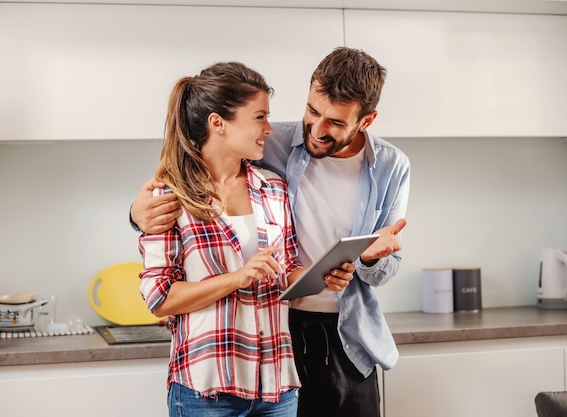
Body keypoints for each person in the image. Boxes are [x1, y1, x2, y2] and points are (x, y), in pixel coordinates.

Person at [132, 48, 410, 417]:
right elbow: (161, 279)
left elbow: (292, 265)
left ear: (366, 120)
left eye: (336, 123)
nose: (317, 128)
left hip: (333, 344)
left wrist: (360, 263)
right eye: (313, 111)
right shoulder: (268, 143)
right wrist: (137, 214)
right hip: (247, 353)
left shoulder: (388, 167)